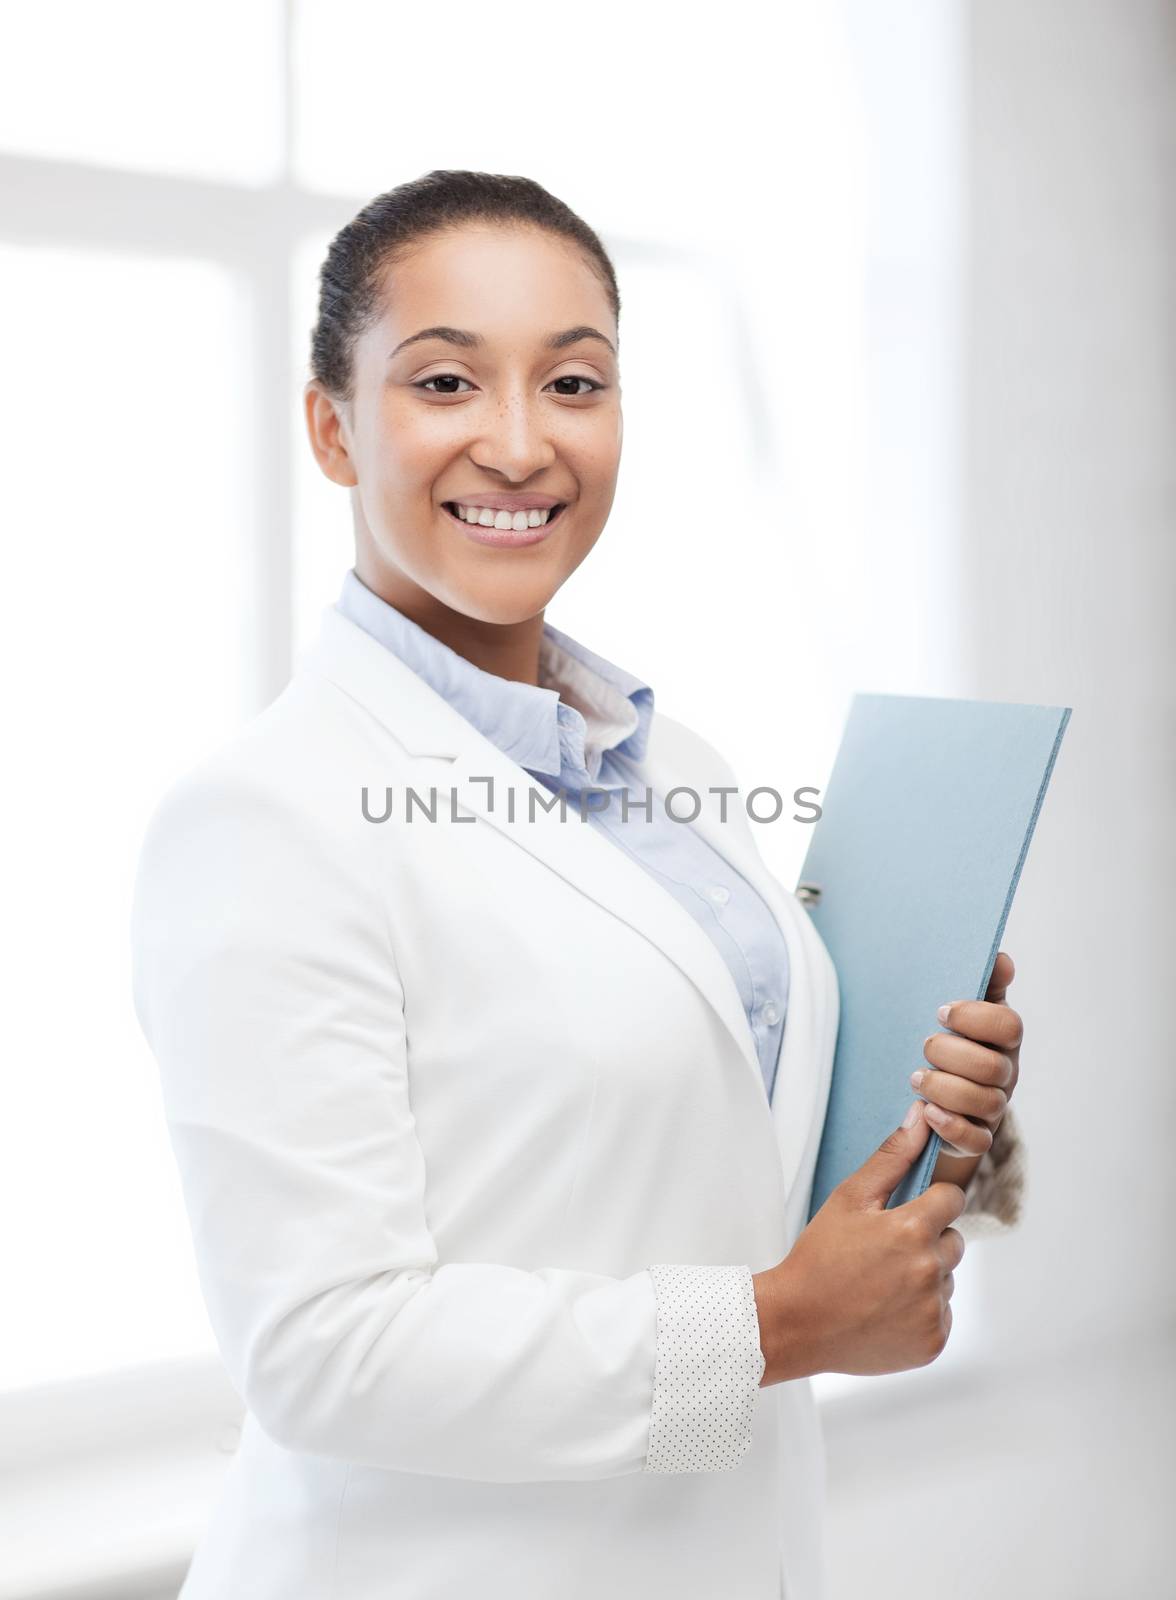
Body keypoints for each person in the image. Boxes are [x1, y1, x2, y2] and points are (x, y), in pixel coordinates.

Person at [130, 169, 1025, 1600]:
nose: (518, 442)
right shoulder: (260, 820)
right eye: (443, 381)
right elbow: (326, 1349)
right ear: (331, 426)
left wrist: (932, 1120)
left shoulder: (680, 763)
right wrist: (780, 1327)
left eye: (574, 382)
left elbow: (691, 1156)